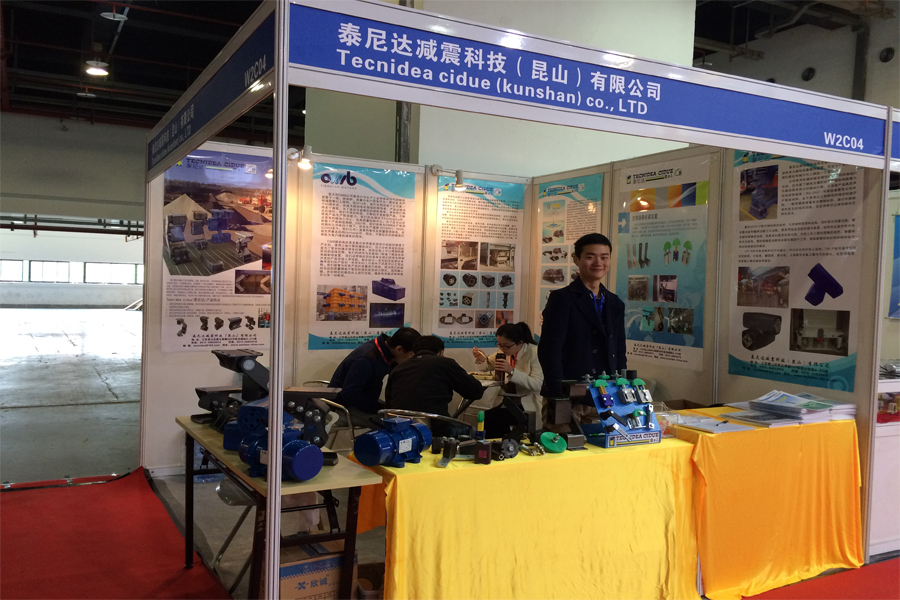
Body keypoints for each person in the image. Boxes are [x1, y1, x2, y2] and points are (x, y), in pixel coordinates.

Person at [538, 233, 626, 404]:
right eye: (590, 257)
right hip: (570, 393)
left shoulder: (615, 303)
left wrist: (621, 386)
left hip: (605, 393)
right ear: (576, 259)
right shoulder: (562, 299)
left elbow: (619, 350)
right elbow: (549, 351)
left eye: (604, 257)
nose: (598, 263)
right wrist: (559, 393)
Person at [385, 335, 485, 437]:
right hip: (436, 428)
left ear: (414, 352)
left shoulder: (398, 368)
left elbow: (389, 402)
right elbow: (476, 391)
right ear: (441, 352)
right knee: (472, 431)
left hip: (400, 429)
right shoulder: (445, 363)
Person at [329, 327, 420, 414]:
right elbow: (349, 394)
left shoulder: (386, 351)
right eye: (411, 355)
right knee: (391, 421)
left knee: (395, 412)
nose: (411, 359)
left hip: (365, 400)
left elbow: (398, 372)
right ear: (399, 349)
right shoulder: (365, 359)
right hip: (345, 407)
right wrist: (377, 409)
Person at [472, 322, 544, 432]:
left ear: (520, 343)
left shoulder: (535, 352)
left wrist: (511, 371)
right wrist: (481, 358)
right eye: (499, 344)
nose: (502, 348)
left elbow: (537, 384)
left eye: (506, 346)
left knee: (494, 418)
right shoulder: (504, 350)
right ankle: (499, 441)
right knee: (488, 416)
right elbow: (489, 364)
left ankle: (504, 441)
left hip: (528, 401)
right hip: (511, 400)